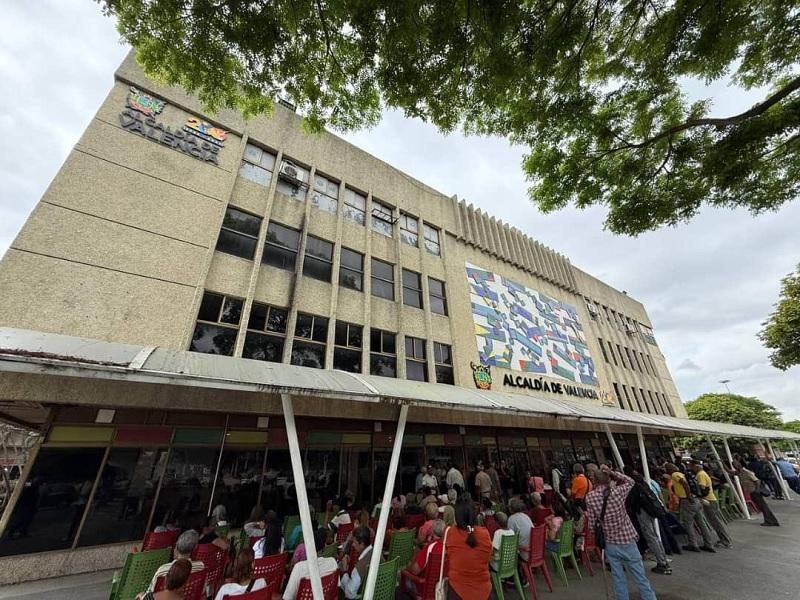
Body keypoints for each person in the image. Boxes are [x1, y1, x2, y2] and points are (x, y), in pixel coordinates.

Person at [586, 465, 657, 600]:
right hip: (627, 539)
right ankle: (649, 597)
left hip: (610, 541)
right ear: (608, 479)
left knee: (618, 577)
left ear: (595, 481)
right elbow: (631, 481)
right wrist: (613, 472)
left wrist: (596, 535)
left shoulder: (590, 497)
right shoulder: (618, 492)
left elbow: (592, 523)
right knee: (639, 576)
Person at [665, 462, 716, 553]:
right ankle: (709, 544)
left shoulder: (675, 474)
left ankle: (693, 544)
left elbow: (684, 483)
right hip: (696, 500)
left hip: (687, 501)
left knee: (688, 523)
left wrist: (688, 496)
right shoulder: (682, 473)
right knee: (701, 523)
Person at [446, 500, 492, 600]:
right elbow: (488, 556)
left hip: (457, 591)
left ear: (457, 517)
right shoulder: (485, 534)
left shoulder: (451, 533)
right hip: (483, 591)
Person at [627, 471, 672, 574]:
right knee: (655, 536)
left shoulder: (634, 487)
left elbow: (630, 502)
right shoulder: (644, 484)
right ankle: (663, 559)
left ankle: (661, 562)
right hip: (651, 511)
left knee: (651, 537)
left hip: (643, 513)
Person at [283, 528, 338, 600]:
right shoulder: (332, 562)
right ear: (323, 547)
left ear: (306, 546)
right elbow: (335, 589)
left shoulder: (299, 568)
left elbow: (287, 597)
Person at [689, 460, 732, 549]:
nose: (690, 468)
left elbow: (702, 488)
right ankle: (724, 539)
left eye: (691, 466)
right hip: (710, 500)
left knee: (715, 522)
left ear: (696, 466)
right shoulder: (702, 474)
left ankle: (725, 540)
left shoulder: (701, 475)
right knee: (714, 521)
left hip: (709, 500)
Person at [400, 519, 445, 599]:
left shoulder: (430, 547)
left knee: (399, 586)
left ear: (432, 531)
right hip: (441, 589)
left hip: (423, 589)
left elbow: (415, 570)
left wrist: (407, 568)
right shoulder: (448, 546)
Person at [735, 461, 779, 526]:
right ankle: (772, 520)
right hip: (752, 491)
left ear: (740, 465)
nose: (735, 466)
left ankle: (769, 521)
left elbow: (757, 480)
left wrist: (757, 490)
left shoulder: (747, 472)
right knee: (762, 506)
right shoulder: (740, 473)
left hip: (755, 491)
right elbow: (730, 472)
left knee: (763, 506)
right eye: (734, 465)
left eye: (736, 464)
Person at [339, 526, 373, 599]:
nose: (352, 545)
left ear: (362, 544)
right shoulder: (378, 553)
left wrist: (345, 570)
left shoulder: (360, 566)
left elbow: (349, 594)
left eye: (355, 542)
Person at [507, 497, 534, 561]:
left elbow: (510, 539)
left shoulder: (511, 519)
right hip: (534, 551)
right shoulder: (526, 516)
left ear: (511, 508)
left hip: (524, 552)